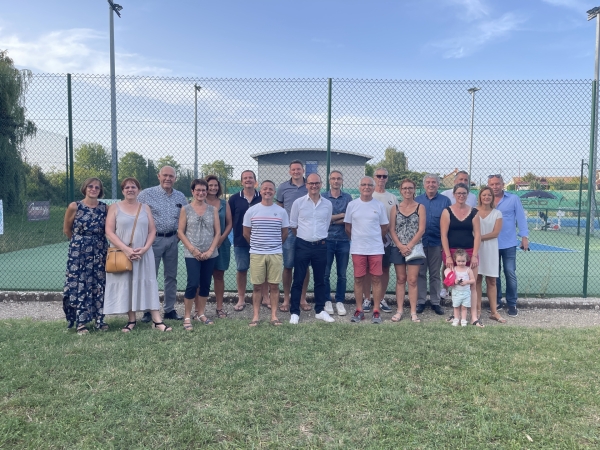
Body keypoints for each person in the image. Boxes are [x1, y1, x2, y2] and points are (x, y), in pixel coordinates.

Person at [104, 177, 172, 332]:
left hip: (143, 254)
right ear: (122, 190)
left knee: (148, 283)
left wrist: (145, 248)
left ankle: (157, 320)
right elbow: (109, 231)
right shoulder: (114, 208)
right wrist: (126, 250)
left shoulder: (145, 208)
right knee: (127, 285)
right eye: (127, 187)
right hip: (122, 254)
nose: (130, 190)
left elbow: (152, 230)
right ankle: (131, 320)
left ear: (138, 190)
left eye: (133, 187)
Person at [138, 166, 188, 322]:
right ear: (158, 176)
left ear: (175, 178)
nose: (168, 178)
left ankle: (169, 309)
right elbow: (135, 214)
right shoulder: (146, 194)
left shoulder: (180, 196)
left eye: (171, 176)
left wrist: (179, 237)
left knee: (171, 276)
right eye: (165, 175)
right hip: (153, 240)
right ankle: (148, 310)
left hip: (173, 239)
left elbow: (184, 218)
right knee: (150, 275)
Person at [62, 177, 109, 335]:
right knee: (80, 285)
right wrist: (80, 243)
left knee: (99, 284)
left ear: (100, 191)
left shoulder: (105, 208)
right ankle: (81, 322)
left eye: (97, 187)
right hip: (79, 252)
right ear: (85, 188)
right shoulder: (75, 206)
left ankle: (99, 320)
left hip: (100, 251)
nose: (94, 189)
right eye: (90, 186)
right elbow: (67, 229)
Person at [288, 173, 334, 324]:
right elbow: (293, 225)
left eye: (317, 183)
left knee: (320, 279)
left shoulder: (327, 204)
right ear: (306, 185)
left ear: (321, 184)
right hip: (302, 245)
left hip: (321, 246)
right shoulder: (298, 203)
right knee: (298, 279)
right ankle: (294, 312)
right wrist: (305, 237)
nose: (314, 186)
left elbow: (326, 224)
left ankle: (320, 310)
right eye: (311, 183)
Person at [243, 180, 289, 326]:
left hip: (275, 254)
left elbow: (285, 233)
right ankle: (255, 316)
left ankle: (274, 316)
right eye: (265, 189)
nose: (267, 191)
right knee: (257, 286)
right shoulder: (252, 210)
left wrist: (273, 246)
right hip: (256, 254)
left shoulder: (281, 212)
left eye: (270, 189)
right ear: (260, 191)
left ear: (274, 192)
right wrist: (258, 246)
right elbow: (246, 233)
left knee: (274, 286)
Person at [344, 177, 389, 324]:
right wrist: (359, 240)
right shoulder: (352, 205)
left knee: (376, 278)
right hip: (358, 248)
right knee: (358, 279)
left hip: (376, 248)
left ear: (374, 187)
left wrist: (373, 239)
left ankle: (376, 311)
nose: (366, 187)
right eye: (363, 184)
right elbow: (348, 228)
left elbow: (384, 227)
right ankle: (359, 310)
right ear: (359, 187)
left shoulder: (379, 205)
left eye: (370, 185)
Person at [177, 179, 220, 330]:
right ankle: (187, 316)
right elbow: (180, 232)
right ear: (193, 192)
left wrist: (209, 251)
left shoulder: (212, 210)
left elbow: (217, 232)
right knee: (192, 283)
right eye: (198, 190)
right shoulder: (186, 209)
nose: (201, 193)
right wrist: (193, 250)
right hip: (192, 254)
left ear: (207, 192)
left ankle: (201, 313)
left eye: (204, 190)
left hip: (210, 254)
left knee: (205, 284)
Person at [440, 183, 482, 327]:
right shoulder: (447, 211)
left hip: (470, 251)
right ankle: (455, 314)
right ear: (454, 194)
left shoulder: (474, 212)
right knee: (454, 284)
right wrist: (448, 256)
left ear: (468, 195)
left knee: (473, 284)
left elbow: (477, 235)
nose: (461, 196)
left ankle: (474, 317)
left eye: (464, 193)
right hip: (452, 252)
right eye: (458, 193)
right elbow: (444, 236)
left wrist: (475, 254)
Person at [488, 174, 529, 317]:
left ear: (503, 184)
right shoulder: (486, 200)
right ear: (489, 185)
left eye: (497, 184)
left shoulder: (513, 199)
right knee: (494, 274)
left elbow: (521, 219)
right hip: (491, 244)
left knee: (510, 272)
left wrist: (524, 237)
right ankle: (497, 301)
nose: (495, 187)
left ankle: (512, 303)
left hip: (509, 243)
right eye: (492, 184)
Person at [388, 179, 426, 323]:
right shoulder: (395, 208)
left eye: (410, 188)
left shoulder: (420, 207)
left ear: (414, 189)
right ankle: (399, 310)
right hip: (397, 248)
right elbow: (391, 229)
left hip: (414, 248)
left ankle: (413, 312)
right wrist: (400, 246)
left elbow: (421, 229)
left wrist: (409, 246)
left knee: (412, 280)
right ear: (400, 190)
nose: (407, 191)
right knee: (401, 279)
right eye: (404, 188)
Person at [228, 170, 265, 311]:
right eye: (245, 178)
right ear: (241, 181)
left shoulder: (262, 197)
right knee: (242, 270)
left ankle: (265, 298)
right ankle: (241, 299)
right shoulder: (234, 199)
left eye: (251, 178)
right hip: (240, 242)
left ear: (255, 181)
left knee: (264, 272)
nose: (248, 180)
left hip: (261, 241)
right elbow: (230, 220)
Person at [276, 160, 310, 312]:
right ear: (289, 171)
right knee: (288, 265)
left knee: (305, 266)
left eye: (299, 169)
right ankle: (287, 299)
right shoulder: (283, 187)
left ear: (303, 170)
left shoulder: (310, 185)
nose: (296, 172)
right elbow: (279, 208)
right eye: (293, 169)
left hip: (306, 231)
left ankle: (302, 298)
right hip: (289, 231)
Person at [415, 174, 451, 315]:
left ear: (438, 185)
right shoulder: (417, 200)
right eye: (428, 182)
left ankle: (435, 302)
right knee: (420, 273)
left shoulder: (445, 201)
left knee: (435, 274)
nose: (431, 184)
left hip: (437, 243)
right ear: (424, 185)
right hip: (420, 243)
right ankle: (421, 301)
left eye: (434, 182)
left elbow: (449, 222)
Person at [365, 167, 398, 313]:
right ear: (374, 177)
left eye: (384, 176)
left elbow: (394, 220)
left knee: (384, 269)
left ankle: (381, 298)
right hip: (369, 241)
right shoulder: (367, 196)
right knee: (366, 270)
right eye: (378, 176)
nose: (381, 178)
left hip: (386, 241)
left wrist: (386, 235)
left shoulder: (392, 198)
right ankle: (367, 298)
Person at [321, 170, 352, 316]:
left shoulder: (348, 197)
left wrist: (332, 219)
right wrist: (341, 215)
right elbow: (323, 220)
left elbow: (349, 219)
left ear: (342, 181)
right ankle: (327, 300)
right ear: (329, 181)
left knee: (342, 274)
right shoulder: (322, 198)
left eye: (338, 178)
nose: (336, 181)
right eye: (333, 178)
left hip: (343, 240)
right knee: (325, 274)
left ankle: (339, 301)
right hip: (326, 240)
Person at [476, 187, 506, 323]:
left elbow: (495, 233)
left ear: (492, 197)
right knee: (476, 279)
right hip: (476, 249)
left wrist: (478, 238)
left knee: (491, 281)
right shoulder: (473, 212)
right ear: (480, 197)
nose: (486, 197)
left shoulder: (497, 213)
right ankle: (477, 311)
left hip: (491, 249)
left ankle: (494, 312)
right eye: (484, 195)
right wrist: (476, 241)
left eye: (489, 195)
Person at [205, 175, 232, 319]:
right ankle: (199, 309)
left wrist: (221, 238)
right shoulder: (198, 202)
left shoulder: (224, 203)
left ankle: (219, 308)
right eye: (210, 185)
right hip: (203, 245)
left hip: (221, 244)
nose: (213, 188)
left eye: (216, 185)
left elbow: (229, 223)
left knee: (219, 275)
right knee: (202, 277)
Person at [445, 249, 475, 327]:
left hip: (466, 292)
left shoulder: (468, 270)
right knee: (456, 306)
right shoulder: (454, 269)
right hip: (456, 292)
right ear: (455, 260)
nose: (461, 263)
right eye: (459, 261)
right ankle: (456, 319)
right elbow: (449, 276)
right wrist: (454, 281)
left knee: (464, 307)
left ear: (466, 260)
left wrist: (466, 282)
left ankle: (463, 320)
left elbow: (473, 280)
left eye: (463, 261)